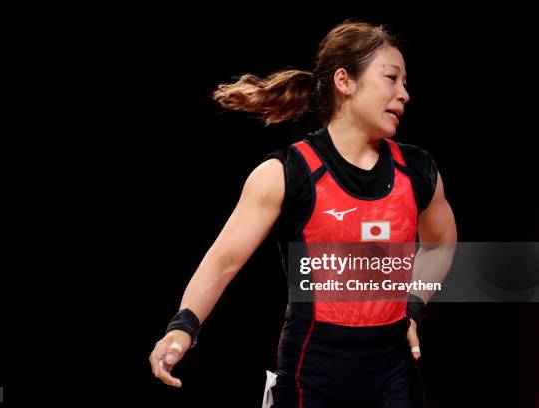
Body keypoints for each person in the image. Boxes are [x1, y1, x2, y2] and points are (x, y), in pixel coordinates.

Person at [148, 21, 457, 407]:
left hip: (393, 370)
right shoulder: (286, 173)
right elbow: (223, 261)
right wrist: (183, 327)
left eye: (405, 82)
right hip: (313, 370)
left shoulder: (418, 170)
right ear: (345, 81)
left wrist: (412, 307)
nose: (405, 94)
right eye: (392, 78)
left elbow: (441, 244)